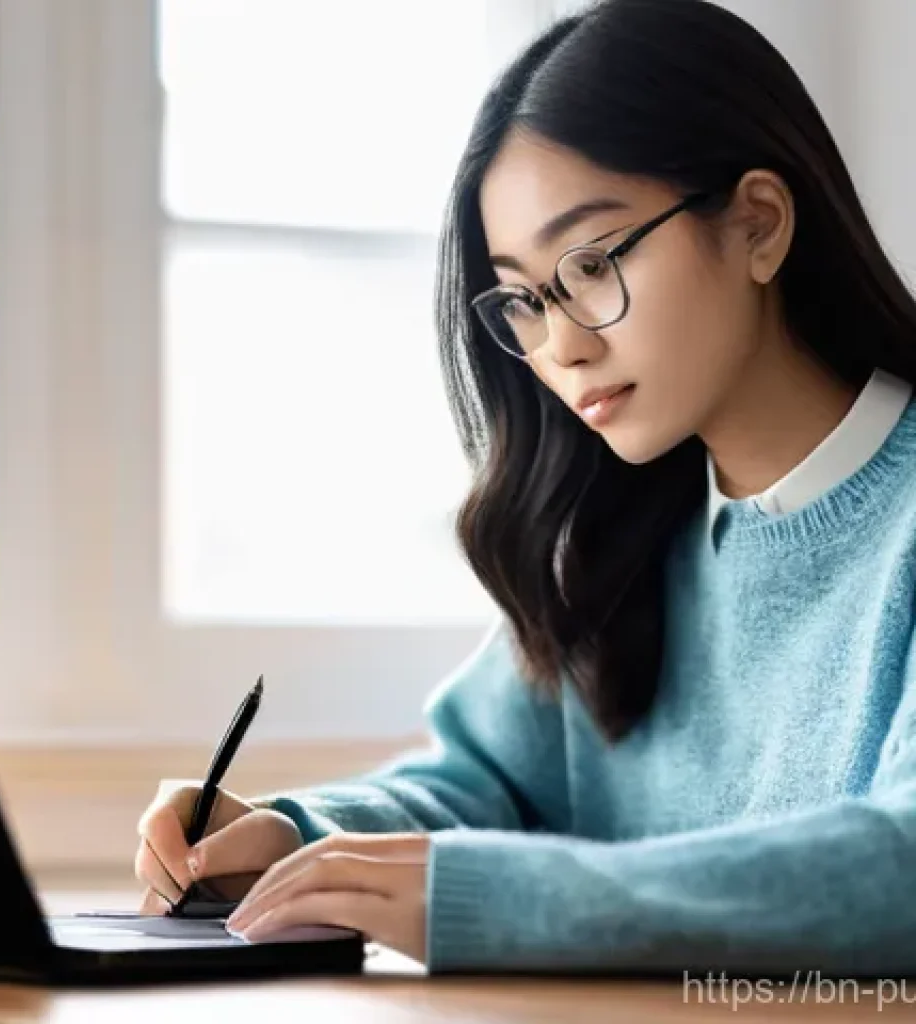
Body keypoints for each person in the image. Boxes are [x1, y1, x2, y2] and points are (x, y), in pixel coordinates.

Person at [135, 0, 916, 975]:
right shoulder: (616, 533)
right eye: (524, 297)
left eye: (591, 264)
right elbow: (482, 785)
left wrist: (495, 896)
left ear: (758, 224)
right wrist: (297, 836)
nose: (561, 346)